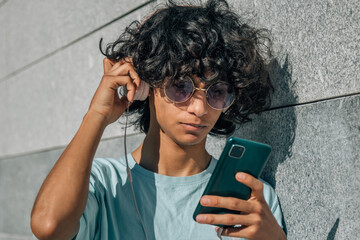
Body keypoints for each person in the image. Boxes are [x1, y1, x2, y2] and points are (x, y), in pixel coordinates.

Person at [30, 0, 287, 239]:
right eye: (180, 86)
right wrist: (96, 115)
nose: (198, 108)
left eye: (216, 92)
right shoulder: (102, 184)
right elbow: (48, 226)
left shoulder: (251, 201)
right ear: (145, 84)